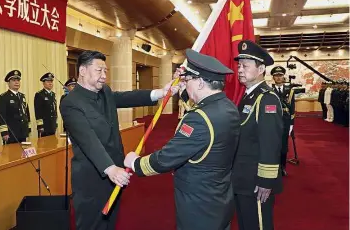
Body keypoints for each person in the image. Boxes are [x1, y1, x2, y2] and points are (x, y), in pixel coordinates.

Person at [124, 49, 240, 230]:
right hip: (220, 196)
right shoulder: (228, 107)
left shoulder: (199, 118)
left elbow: (167, 158)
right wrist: (184, 89)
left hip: (199, 204)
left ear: (201, 82)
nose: (186, 84)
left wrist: (135, 163)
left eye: (188, 80)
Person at [60, 50, 176, 230]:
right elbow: (88, 140)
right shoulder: (71, 103)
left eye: (105, 71)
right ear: (82, 71)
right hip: (92, 178)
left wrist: (160, 93)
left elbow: (124, 97)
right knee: (92, 225)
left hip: (115, 173)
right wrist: (110, 168)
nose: (104, 76)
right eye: (99, 71)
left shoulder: (104, 91)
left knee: (111, 222)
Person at [232, 40, 283, 230]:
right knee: (246, 223)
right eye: (239, 65)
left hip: (256, 181)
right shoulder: (248, 96)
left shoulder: (266, 98)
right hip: (243, 177)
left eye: (245, 65)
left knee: (259, 225)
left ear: (261, 68)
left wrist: (265, 180)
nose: (240, 69)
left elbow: (270, 142)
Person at [271, 66, 295, 176]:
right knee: (273, 145)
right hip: (273, 121)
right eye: (276, 76)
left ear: (283, 76)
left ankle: (283, 167)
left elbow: (292, 109)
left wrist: (291, 124)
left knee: (284, 146)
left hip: (285, 122)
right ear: (273, 77)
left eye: (280, 75)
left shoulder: (290, 91)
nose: (278, 77)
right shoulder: (269, 90)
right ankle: (273, 167)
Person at [0, 70, 31, 144]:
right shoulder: (3, 97)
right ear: (8, 83)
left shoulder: (22, 96)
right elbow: (1, 116)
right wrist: (4, 132)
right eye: (14, 80)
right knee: (12, 154)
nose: (17, 82)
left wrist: (28, 128)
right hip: (11, 133)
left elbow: (26, 113)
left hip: (22, 132)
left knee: (23, 154)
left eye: (18, 80)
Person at [34, 73, 57, 137]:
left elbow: (54, 109)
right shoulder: (39, 94)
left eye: (51, 81)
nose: (50, 83)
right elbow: (38, 111)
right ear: (43, 83)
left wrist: (55, 123)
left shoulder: (53, 94)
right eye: (48, 81)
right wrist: (40, 125)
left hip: (52, 125)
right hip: (44, 126)